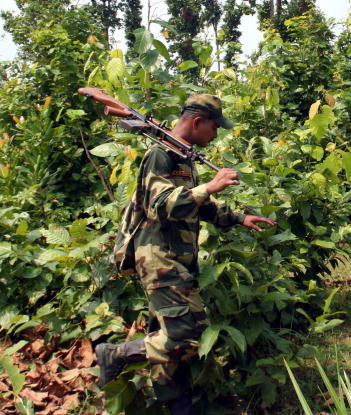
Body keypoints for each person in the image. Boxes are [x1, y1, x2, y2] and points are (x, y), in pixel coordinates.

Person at [95, 94, 276, 414]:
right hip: (159, 258)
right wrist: (211, 185)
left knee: (165, 335)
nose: (216, 134)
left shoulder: (183, 158)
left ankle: (177, 405)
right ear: (197, 122)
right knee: (186, 333)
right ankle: (117, 354)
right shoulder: (159, 155)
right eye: (214, 127)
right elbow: (162, 205)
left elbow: (195, 203)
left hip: (178, 258)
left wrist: (238, 217)